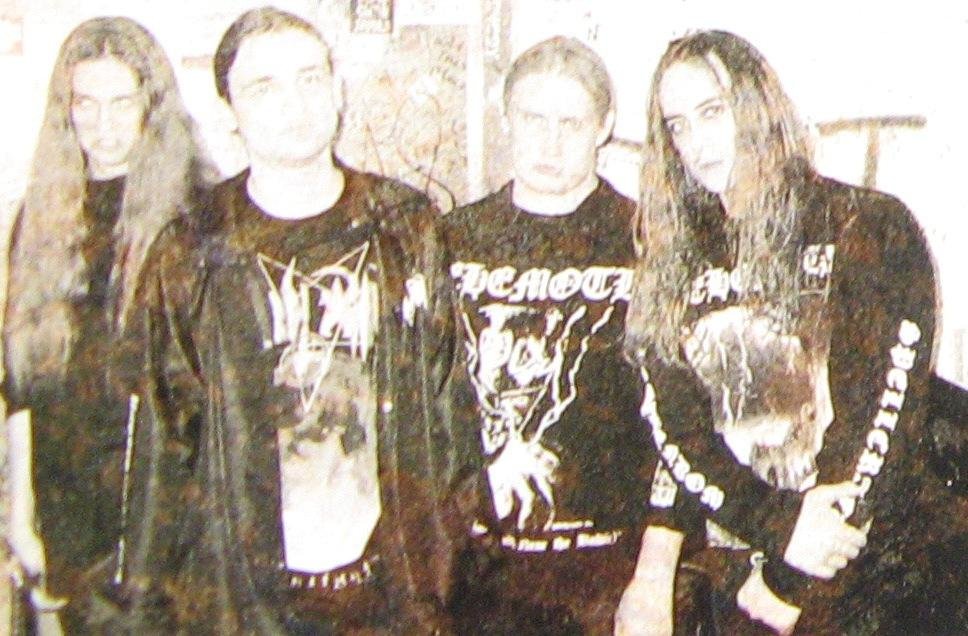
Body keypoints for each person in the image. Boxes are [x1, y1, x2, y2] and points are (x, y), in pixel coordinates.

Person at [622, 29, 955, 634]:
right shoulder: (673, 257)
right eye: (677, 125)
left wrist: (789, 582)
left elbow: (880, 426)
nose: (696, 142)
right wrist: (771, 533)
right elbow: (675, 432)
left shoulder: (866, 224)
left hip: (863, 573)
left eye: (712, 112)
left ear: (756, 105)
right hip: (744, 568)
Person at [137, 7, 456, 632]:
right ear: (230, 110)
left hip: (388, 601)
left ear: (338, 91)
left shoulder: (404, 223)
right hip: (247, 606)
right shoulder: (192, 247)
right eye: (264, 86)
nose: (295, 104)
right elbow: (163, 444)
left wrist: (436, 586)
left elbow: (448, 415)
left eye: (310, 78)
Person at [443, 36, 657, 634]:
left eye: (570, 123)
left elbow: (678, 428)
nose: (550, 142)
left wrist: (653, 576)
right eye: (534, 119)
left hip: (605, 575)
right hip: (477, 577)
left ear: (604, 126)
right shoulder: (450, 239)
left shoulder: (646, 242)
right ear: (506, 118)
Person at [3, 16, 210, 632]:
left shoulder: (195, 213)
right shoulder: (39, 216)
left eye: (122, 103)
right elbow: (24, 385)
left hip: (161, 504)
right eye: (85, 104)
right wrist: (21, 514)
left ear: (152, 106)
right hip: (66, 500)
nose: (103, 126)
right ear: (64, 112)